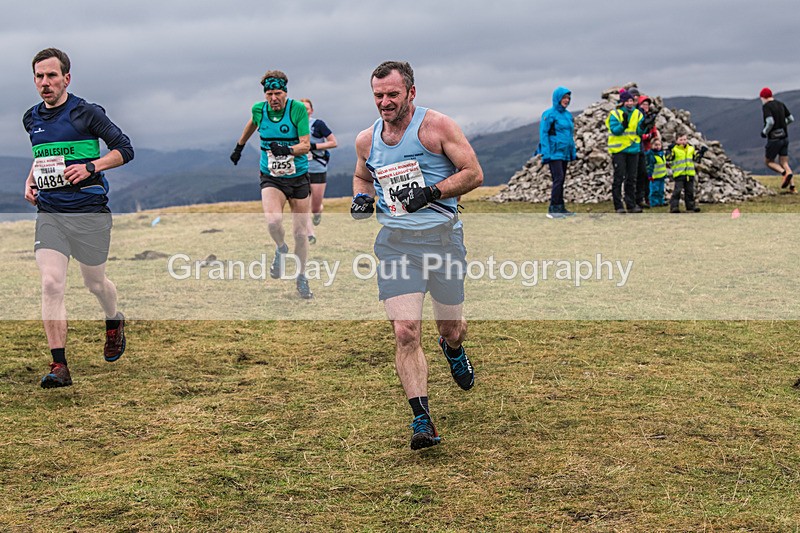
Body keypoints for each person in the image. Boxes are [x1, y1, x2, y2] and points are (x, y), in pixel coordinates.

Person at [351, 61, 483, 450]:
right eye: (378, 95)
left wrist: (432, 192)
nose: (385, 102)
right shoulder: (366, 139)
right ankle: (422, 419)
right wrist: (362, 198)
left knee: (450, 328)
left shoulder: (437, 127)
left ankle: (453, 349)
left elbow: (473, 173)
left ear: (411, 92)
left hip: (442, 242)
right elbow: (363, 175)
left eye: (392, 94)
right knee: (405, 331)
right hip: (396, 245)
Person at [23, 48, 133, 388]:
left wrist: (91, 166)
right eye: (39, 76)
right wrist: (30, 179)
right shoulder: (31, 118)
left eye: (52, 76)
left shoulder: (87, 113)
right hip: (51, 213)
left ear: (66, 78)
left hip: (89, 214)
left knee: (94, 284)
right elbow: (44, 158)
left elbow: (124, 149)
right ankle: (59, 366)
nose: (45, 82)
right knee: (51, 283)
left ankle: (113, 320)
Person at [230, 70, 313, 299]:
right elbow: (251, 124)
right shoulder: (259, 110)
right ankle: (280, 247)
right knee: (274, 220)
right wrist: (239, 147)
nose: (273, 98)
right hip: (271, 176)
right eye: (269, 94)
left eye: (277, 93)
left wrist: (287, 150)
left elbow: (306, 145)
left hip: (298, 177)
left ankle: (302, 276)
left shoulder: (296, 110)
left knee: (300, 233)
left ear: (285, 93)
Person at [300, 98, 338, 244]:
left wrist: (314, 147)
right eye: (300, 109)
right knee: (302, 205)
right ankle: (310, 235)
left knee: (315, 207)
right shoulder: (293, 125)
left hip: (318, 168)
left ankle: (317, 214)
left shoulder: (318, 125)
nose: (304, 111)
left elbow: (334, 142)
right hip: (300, 169)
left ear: (311, 110)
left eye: (306, 108)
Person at [538, 86, 577, 219]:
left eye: (568, 98)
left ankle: (560, 207)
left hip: (564, 152)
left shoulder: (567, 115)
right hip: (554, 152)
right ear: (557, 98)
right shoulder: (549, 114)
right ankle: (553, 209)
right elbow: (544, 134)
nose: (566, 100)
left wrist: (572, 151)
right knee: (558, 179)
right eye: (564, 98)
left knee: (561, 180)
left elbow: (570, 135)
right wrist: (546, 153)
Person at [606, 90, 644, 214]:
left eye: (631, 100)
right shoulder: (615, 114)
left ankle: (631, 205)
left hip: (633, 149)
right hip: (619, 150)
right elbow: (615, 130)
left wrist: (644, 127)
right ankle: (618, 206)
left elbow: (638, 131)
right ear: (622, 102)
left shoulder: (638, 114)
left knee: (631, 178)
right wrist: (623, 125)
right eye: (627, 100)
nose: (630, 103)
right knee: (619, 177)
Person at [759, 87, 795, 192]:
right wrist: (783, 125)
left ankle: (784, 173)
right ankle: (792, 187)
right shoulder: (780, 104)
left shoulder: (766, 107)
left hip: (774, 139)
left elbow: (770, 122)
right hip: (785, 137)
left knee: (769, 161)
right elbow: (791, 119)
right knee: (784, 162)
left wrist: (764, 132)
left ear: (763, 97)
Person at [667, 131, 707, 213]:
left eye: (685, 139)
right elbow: (669, 158)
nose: (683, 141)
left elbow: (696, 158)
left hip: (689, 174)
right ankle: (674, 207)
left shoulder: (691, 148)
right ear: (676, 140)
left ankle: (690, 207)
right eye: (681, 140)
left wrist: (701, 153)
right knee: (677, 191)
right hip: (679, 174)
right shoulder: (674, 149)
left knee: (690, 192)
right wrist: (669, 151)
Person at [636, 94, 661, 207]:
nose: (646, 106)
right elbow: (639, 133)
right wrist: (648, 136)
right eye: (644, 104)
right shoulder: (638, 116)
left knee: (649, 175)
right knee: (643, 175)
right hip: (642, 149)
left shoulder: (650, 117)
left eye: (647, 104)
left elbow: (654, 131)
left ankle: (649, 198)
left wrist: (654, 137)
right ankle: (642, 198)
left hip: (649, 150)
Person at [645, 137, 668, 206]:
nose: (657, 147)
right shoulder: (651, 155)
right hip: (654, 177)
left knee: (661, 190)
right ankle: (654, 202)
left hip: (662, 176)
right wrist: (649, 175)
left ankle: (661, 201)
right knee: (654, 191)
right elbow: (649, 166)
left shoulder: (662, 154)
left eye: (659, 145)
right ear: (651, 145)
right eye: (655, 145)